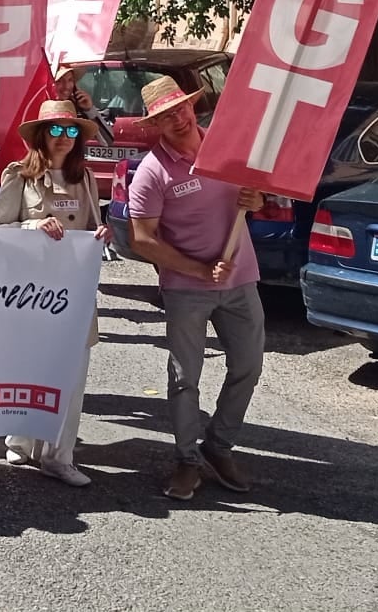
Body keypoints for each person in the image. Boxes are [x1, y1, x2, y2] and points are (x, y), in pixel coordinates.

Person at [125, 77, 265, 502]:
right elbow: (141, 239)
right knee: (186, 377)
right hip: (187, 288)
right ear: (155, 125)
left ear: (193, 108)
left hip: (241, 280)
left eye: (181, 109)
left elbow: (254, 200)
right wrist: (199, 270)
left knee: (249, 366)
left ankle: (218, 447)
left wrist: (255, 201)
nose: (177, 118)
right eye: (166, 115)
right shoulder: (152, 171)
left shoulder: (227, 149)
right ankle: (187, 460)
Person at [0, 99, 106, 488]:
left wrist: (102, 235)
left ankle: (59, 456)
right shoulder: (18, 176)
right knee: (28, 368)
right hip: (31, 293)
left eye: (72, 130)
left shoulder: (87, 178)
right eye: (55, 130)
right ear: (41, 135)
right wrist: (33, 228)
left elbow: (93, 228)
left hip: (74, 291)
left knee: (73, 376)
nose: (64, 138)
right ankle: (19, 437)